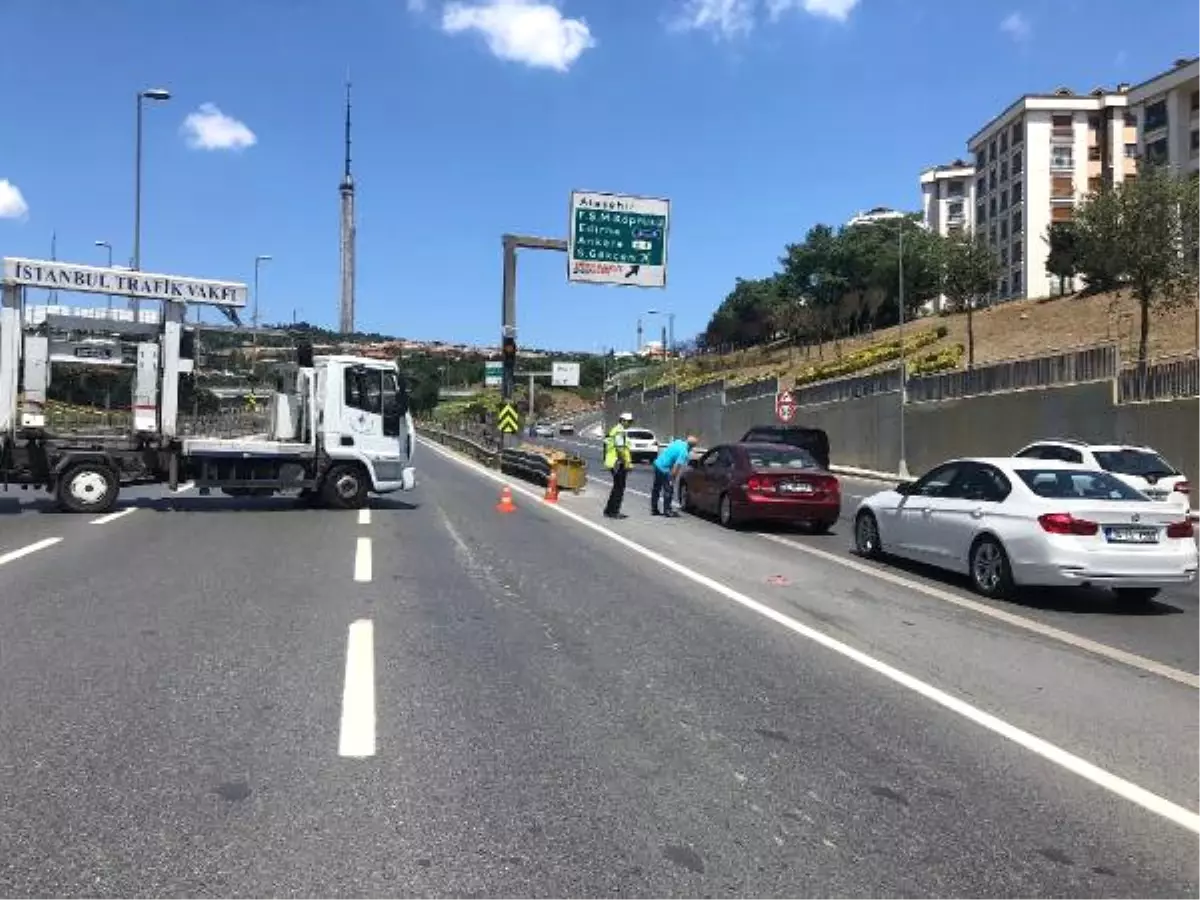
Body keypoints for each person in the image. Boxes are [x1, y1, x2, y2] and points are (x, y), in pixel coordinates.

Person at [651, 434, 698, 517]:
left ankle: (654, 509)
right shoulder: (684, 452)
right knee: (668, 489)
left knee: (656, 488)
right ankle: (667, 511)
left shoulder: (678, 442)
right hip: (665, 468)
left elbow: (670, 447)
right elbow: (677, 466)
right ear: (692, 446)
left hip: (658, 464)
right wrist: (673, 478)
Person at [603, 412, 634, 519]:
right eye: (628, 421)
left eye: (631, 421)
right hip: (618, 463)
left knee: (616, 486)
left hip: (613, 462)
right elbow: (620, 449)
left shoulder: (615, 430)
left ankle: (609, 510)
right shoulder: (619, 431)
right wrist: (627, 463)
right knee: (619, 488)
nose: (630, 423)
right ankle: (614, 511)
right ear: (622, 420)